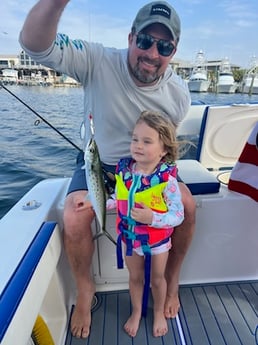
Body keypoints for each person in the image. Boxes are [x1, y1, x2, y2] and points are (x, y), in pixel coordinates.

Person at [20, 0, 196, 339]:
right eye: (145, 40)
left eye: (164, 46)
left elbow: (166, 150)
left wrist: (153, 187)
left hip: (149, 164)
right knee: (74, 216)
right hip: (98, 161)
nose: (152, 52)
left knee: (186, 205)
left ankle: (171, 280)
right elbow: (34, 44)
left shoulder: (178, 94)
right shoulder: (98, 59)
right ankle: (85, 289)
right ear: (131, 38)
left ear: (173, 51)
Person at [107, 110, 184, 337]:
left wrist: (153, 219)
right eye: (135, 139)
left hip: (157, 242)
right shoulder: (125, 172)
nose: (138, 145)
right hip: (130, 239)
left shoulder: (167, 181)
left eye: (147, 141)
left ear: (164, 150)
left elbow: (177, 215)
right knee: (134, 277)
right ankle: (137, 310)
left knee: (158, 280)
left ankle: (159, 311)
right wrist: (100, 203)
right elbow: (119, 197)